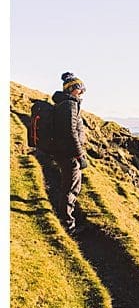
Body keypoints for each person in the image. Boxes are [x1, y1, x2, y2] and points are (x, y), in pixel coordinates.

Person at [48, 72, 89, 234]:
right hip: (69, 154)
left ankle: (66, 218)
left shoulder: (64, 103)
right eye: (80, 89)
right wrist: (80, 156)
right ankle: (67, 225)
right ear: (73, 89)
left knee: (69, 186)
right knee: (71, 188)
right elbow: (71, 133)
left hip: (63, 152)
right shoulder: (69, 105)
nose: (82, 92)